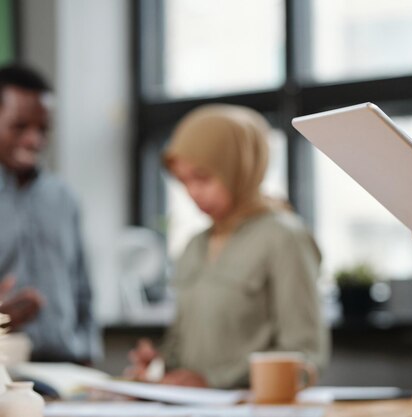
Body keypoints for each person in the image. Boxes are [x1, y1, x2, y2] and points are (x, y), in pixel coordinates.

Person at [127, 104, 329, 389]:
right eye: (184, 181)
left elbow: (305, 353)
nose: (193, 193)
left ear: (240, 168)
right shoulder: (195, 245)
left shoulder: (284, 237)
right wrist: (159, 365)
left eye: (203, 177)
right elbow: (185, 347)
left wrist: (212, 382)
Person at [0, 64, 101, 363]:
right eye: (20, 126)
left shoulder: (63, 197)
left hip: (67, 365)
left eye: (43, 129)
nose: (34, 140)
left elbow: (81, 285)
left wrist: (88, 352)